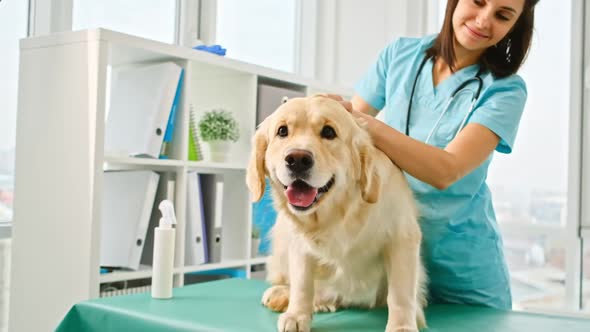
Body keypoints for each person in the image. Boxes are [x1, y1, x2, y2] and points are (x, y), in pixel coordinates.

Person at [332, 0, 539, 310]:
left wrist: (363, 124)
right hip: (389, 260)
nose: (483, 21)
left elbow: (447, 170)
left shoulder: (506, 90)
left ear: (514, 26)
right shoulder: (400, 55)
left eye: (502, 15)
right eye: (478, 2)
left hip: (463, 274)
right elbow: (345, 139)